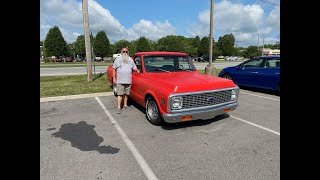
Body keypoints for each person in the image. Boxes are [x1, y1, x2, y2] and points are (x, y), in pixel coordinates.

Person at [112, 48, 140, 114]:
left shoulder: (130, 59)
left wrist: (138, 70)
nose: (125, 53)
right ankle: (119, 107)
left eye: (126, 52)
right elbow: (113, 68)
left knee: (127, 94)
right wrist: (114, 78)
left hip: (128, 80)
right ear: (121, 52)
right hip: (120, 81)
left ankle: (125, 105)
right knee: (120, 94)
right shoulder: (117, 59)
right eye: (124, 51)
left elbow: (134, 67)